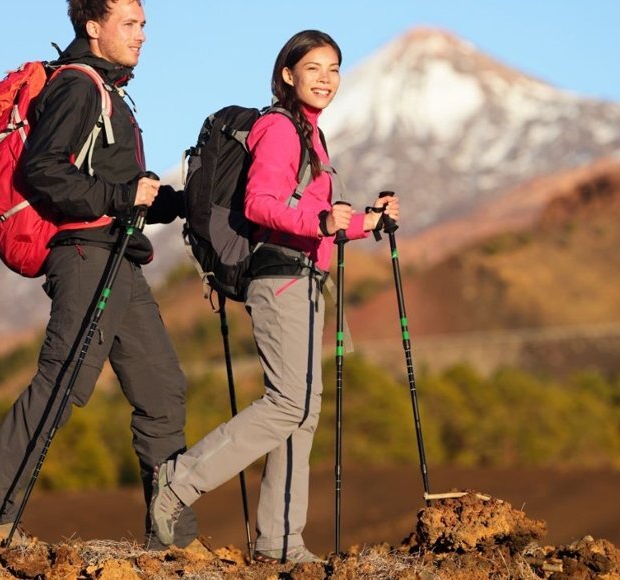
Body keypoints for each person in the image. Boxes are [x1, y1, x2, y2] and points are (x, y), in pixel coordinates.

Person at [0, 0, 199, 550]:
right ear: (93, 27)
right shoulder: (79, 86)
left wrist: (178, 202)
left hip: (120, 256)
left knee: (162, 392)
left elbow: (120, 193)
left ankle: (174, 541)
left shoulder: (110, 92)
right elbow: (42, 170)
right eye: (129, 24)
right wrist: (119, 195)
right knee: (62, 382)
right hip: (87, 257)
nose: (141, 35)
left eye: (143, 25)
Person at [149, 29, 399, 564]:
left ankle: (280, 542)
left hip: (306, 278)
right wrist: (319, 218)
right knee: (288, 403)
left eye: (334, 68)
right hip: (281, 279)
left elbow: (317, 223)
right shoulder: (281, 128)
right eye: (314, 68)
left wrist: (367, 223)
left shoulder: (312, 137)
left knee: (301, 414)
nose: (327, 78)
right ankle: (178, 482)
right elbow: (262, 204)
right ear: (288, 75)